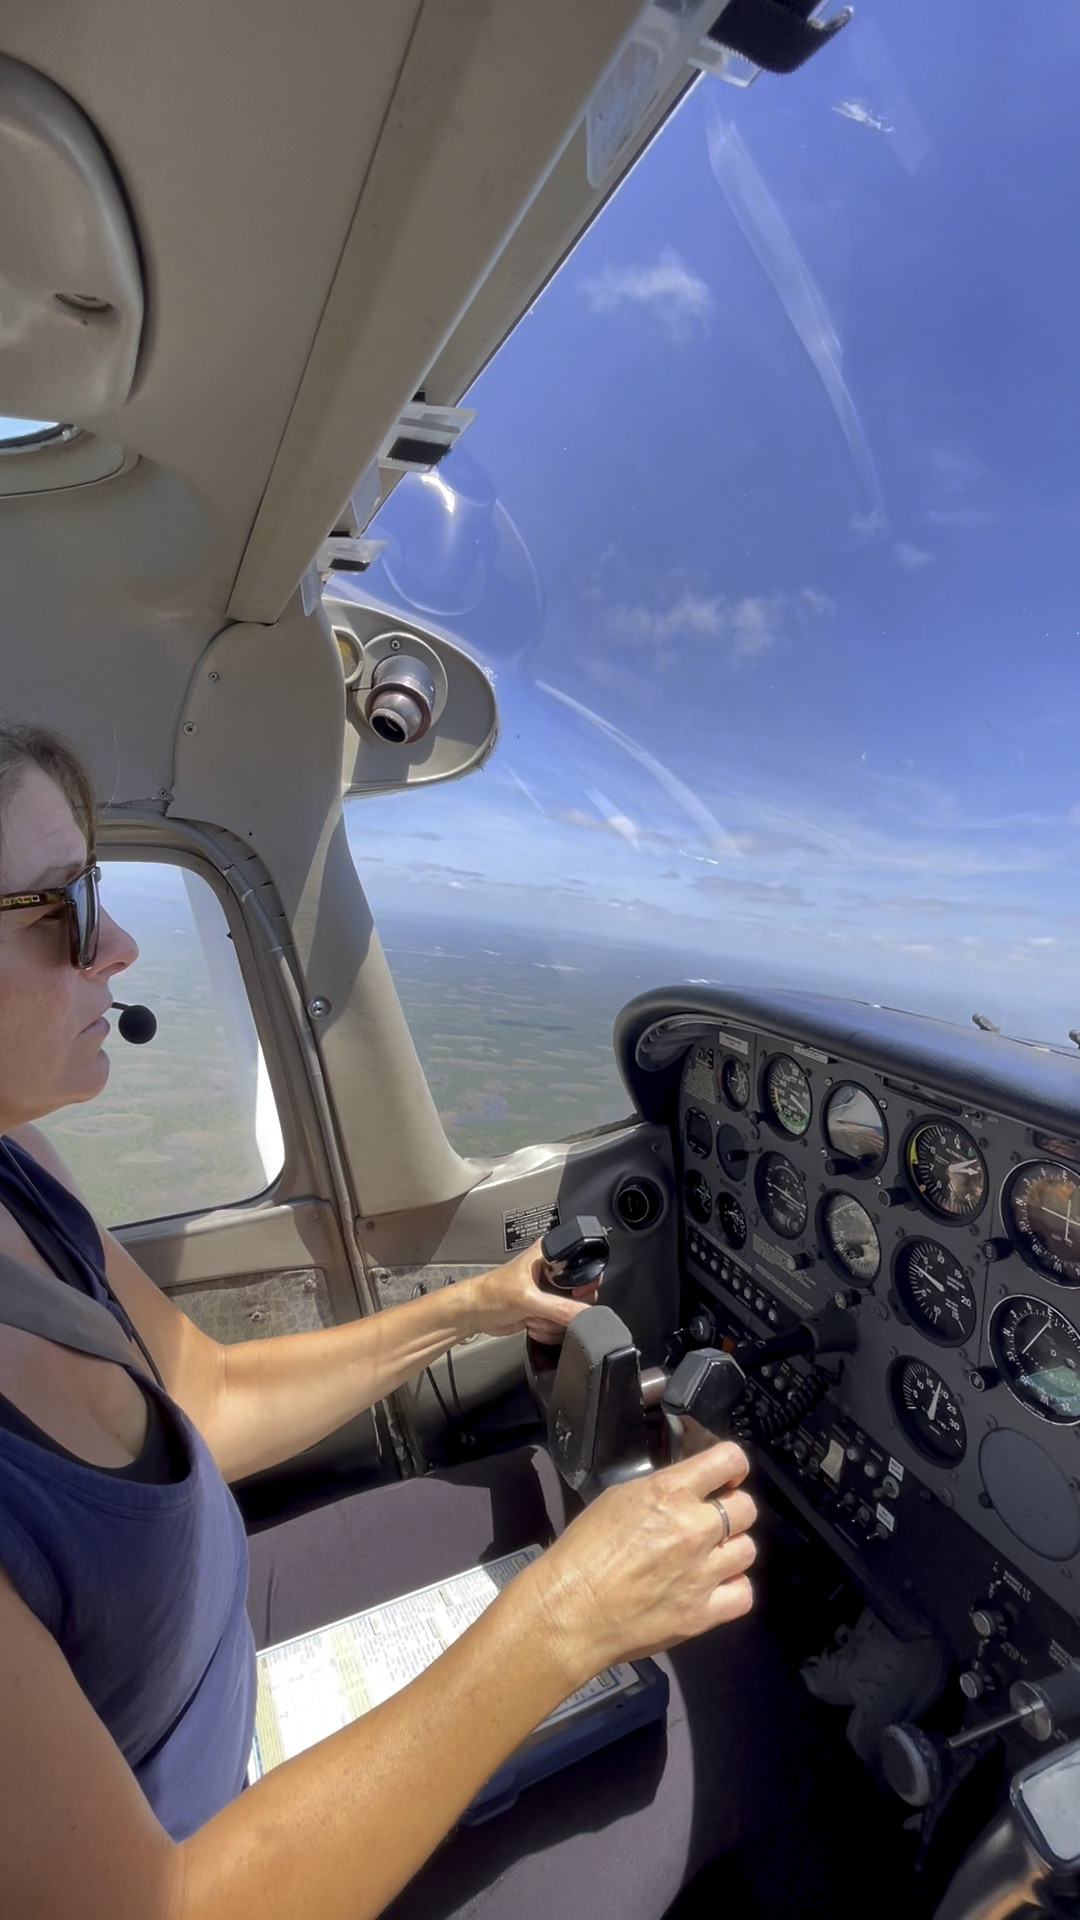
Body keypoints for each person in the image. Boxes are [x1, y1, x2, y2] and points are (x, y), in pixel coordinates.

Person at [0, 720, 761, 1920]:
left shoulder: (17, 1170)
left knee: (548, 1496)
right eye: (64, 905)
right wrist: (552, 1628)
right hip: (194, 1830)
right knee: (737, 1701)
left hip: (206, 1633)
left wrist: (470, 1306)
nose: (122, 942)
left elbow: (204, 1398)